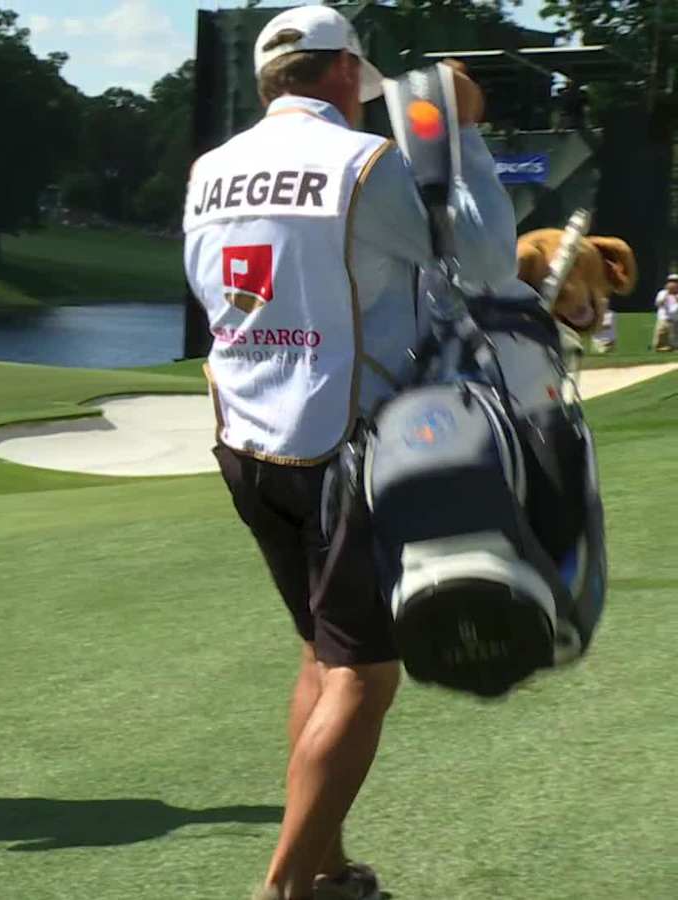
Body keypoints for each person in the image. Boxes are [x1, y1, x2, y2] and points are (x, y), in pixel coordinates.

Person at [182, 7, 516, 899]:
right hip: (348, 449)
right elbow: (485, 260)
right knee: (366, 676)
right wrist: (461, 131)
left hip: (249, 443)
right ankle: (286, 889)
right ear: (340, 75)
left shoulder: (210, 169)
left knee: (321, 658)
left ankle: (326, 868)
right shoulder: (364, 163)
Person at [652, 275, 678, 352]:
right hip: (663, 318)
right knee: (661, 334)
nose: (673, 284)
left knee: (674, 337)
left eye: (675, 282)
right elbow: (658, 303)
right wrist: (667, 293)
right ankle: (661, 347)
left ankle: (672, 347)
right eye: (671, 282)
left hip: (675, 319)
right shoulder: (662, 293)